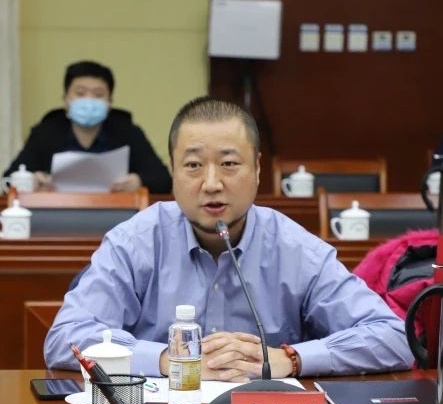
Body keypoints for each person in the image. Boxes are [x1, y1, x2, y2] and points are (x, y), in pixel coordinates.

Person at [44, 97, 413, 380]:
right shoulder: (135, 241)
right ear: (173, 172)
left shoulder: (295, 248)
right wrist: (170, 360)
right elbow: (66, 337)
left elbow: (394, 338)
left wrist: (290, 358)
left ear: (257, 169)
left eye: (229, 164)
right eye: (193, 165)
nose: (211, 183)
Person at [3, 60, 171, 193]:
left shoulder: (128, 132)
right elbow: (7, 181)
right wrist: (31, 180)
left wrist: (138, 181)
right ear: (66, 100)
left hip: (115, 216)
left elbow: (163, 179)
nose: (89, 100)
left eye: (98, 94)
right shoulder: (45, 133)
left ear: (109, 102)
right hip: (58, 215)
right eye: (80, 93)